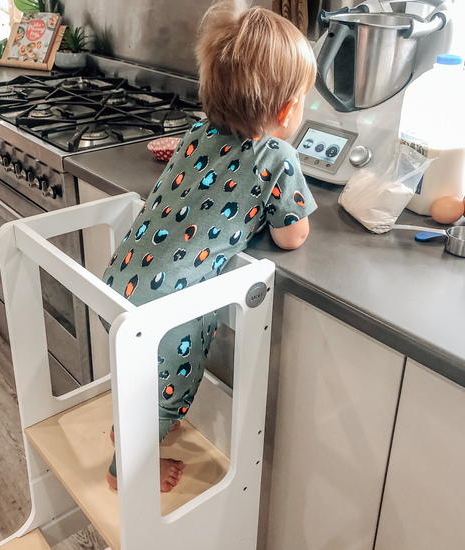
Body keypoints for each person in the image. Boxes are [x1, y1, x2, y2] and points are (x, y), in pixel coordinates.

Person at [103, 0, 317, 492]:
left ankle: (126, 428)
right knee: (166, 393)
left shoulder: (198, 132)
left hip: (122, 280)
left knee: (138, 377)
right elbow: (293, 235)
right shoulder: (276, 155)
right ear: (288, 110)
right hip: (168, 312)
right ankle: (126, 471)